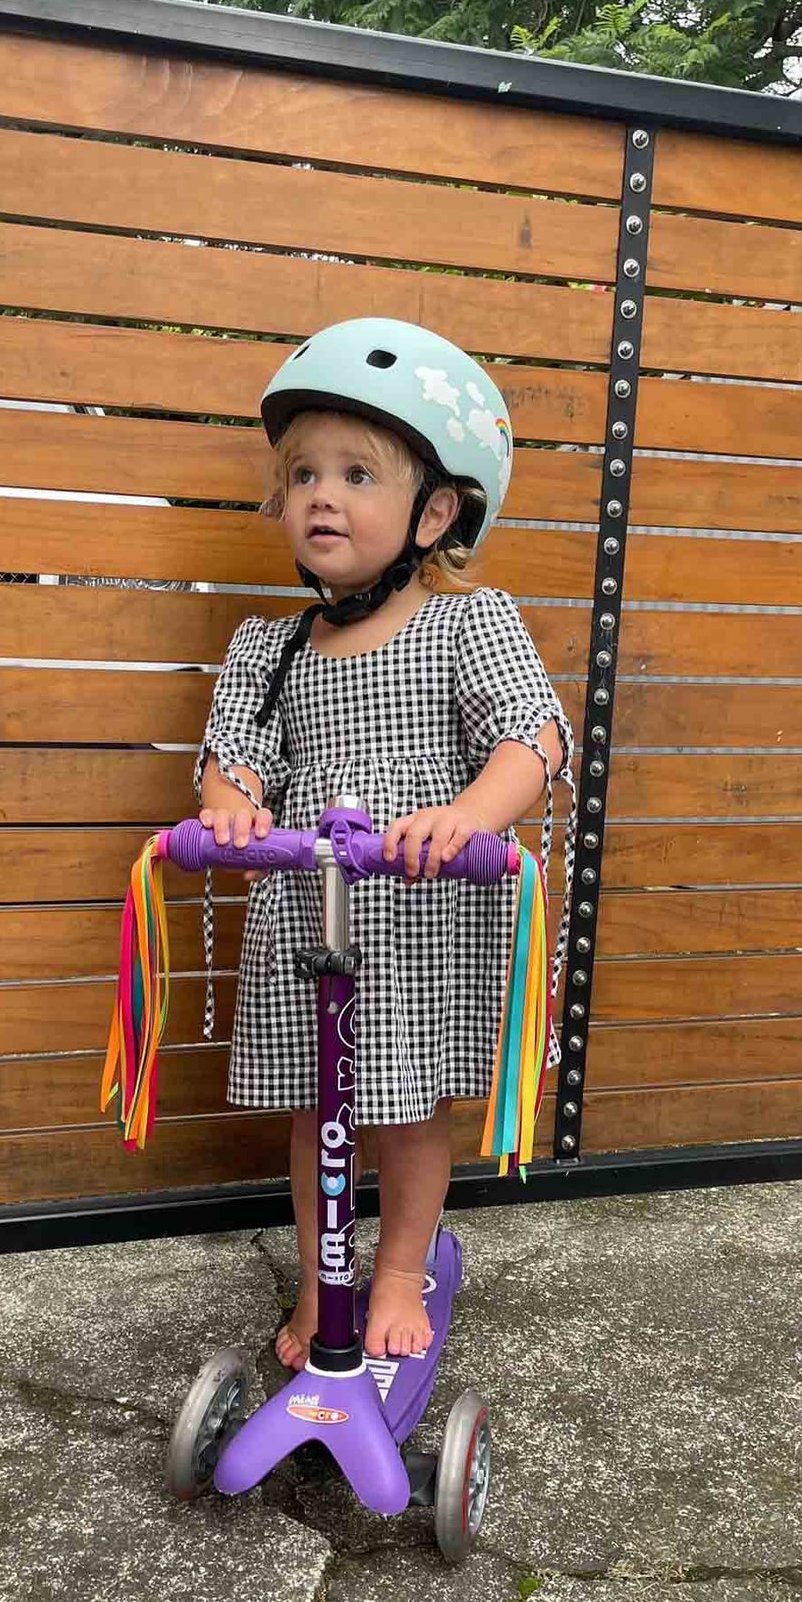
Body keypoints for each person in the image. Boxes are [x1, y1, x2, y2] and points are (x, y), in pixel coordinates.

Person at [196, 318, 573, 1372]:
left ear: (434, 511)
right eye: (304, 473)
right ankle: (326, 1282)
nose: (322, 494)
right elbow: (233, 757)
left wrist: (470, 815)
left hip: (420, 907)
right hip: (314, 914)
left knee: (407, 1112)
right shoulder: (266, 647)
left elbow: (530, 737)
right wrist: (233, 809)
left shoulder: (469, 622)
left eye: (358, 473)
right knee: (319, 1112)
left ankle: (400, 1270)